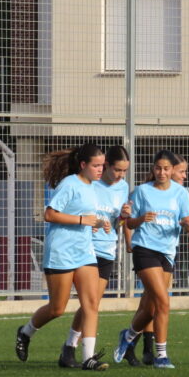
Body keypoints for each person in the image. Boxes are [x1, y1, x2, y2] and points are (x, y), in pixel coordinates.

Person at [14, 143, 110, 371]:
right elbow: (50, 214)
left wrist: (96, 222)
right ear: (83, 165)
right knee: (57, 308)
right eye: (96, 165)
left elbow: (83, 215)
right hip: (61, 252)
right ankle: (25, 332)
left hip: (84, 252)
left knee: (91, 303)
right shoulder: (69, 184)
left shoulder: (92, 186)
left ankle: (88, 358)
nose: (100, 170)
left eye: (102, 165)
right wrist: (81, 221)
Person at [112, 150, 189, 370]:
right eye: (158, 168)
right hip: (145, 249)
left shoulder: (180, 193)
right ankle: (161, 355)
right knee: (163, 301)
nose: (162, 172)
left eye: (166, 168)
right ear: (153, 169)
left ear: (172, 171)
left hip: (167, 252)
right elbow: (128, 224)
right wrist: (141, 219)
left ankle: (128, 336)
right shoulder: (141, 192)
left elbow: (188, 221)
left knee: (150, 309)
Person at [72, 145, 133, 361]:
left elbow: (118, 220)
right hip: (86, 248)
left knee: (92, 303)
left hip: (107, 249)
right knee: (89, 303)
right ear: (105, 165)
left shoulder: (123, 187)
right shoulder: (89, 182)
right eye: (117, 170)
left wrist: (124, 216)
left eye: (124, 171)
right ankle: (75, 349)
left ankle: (70, 345)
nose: (120, 175)